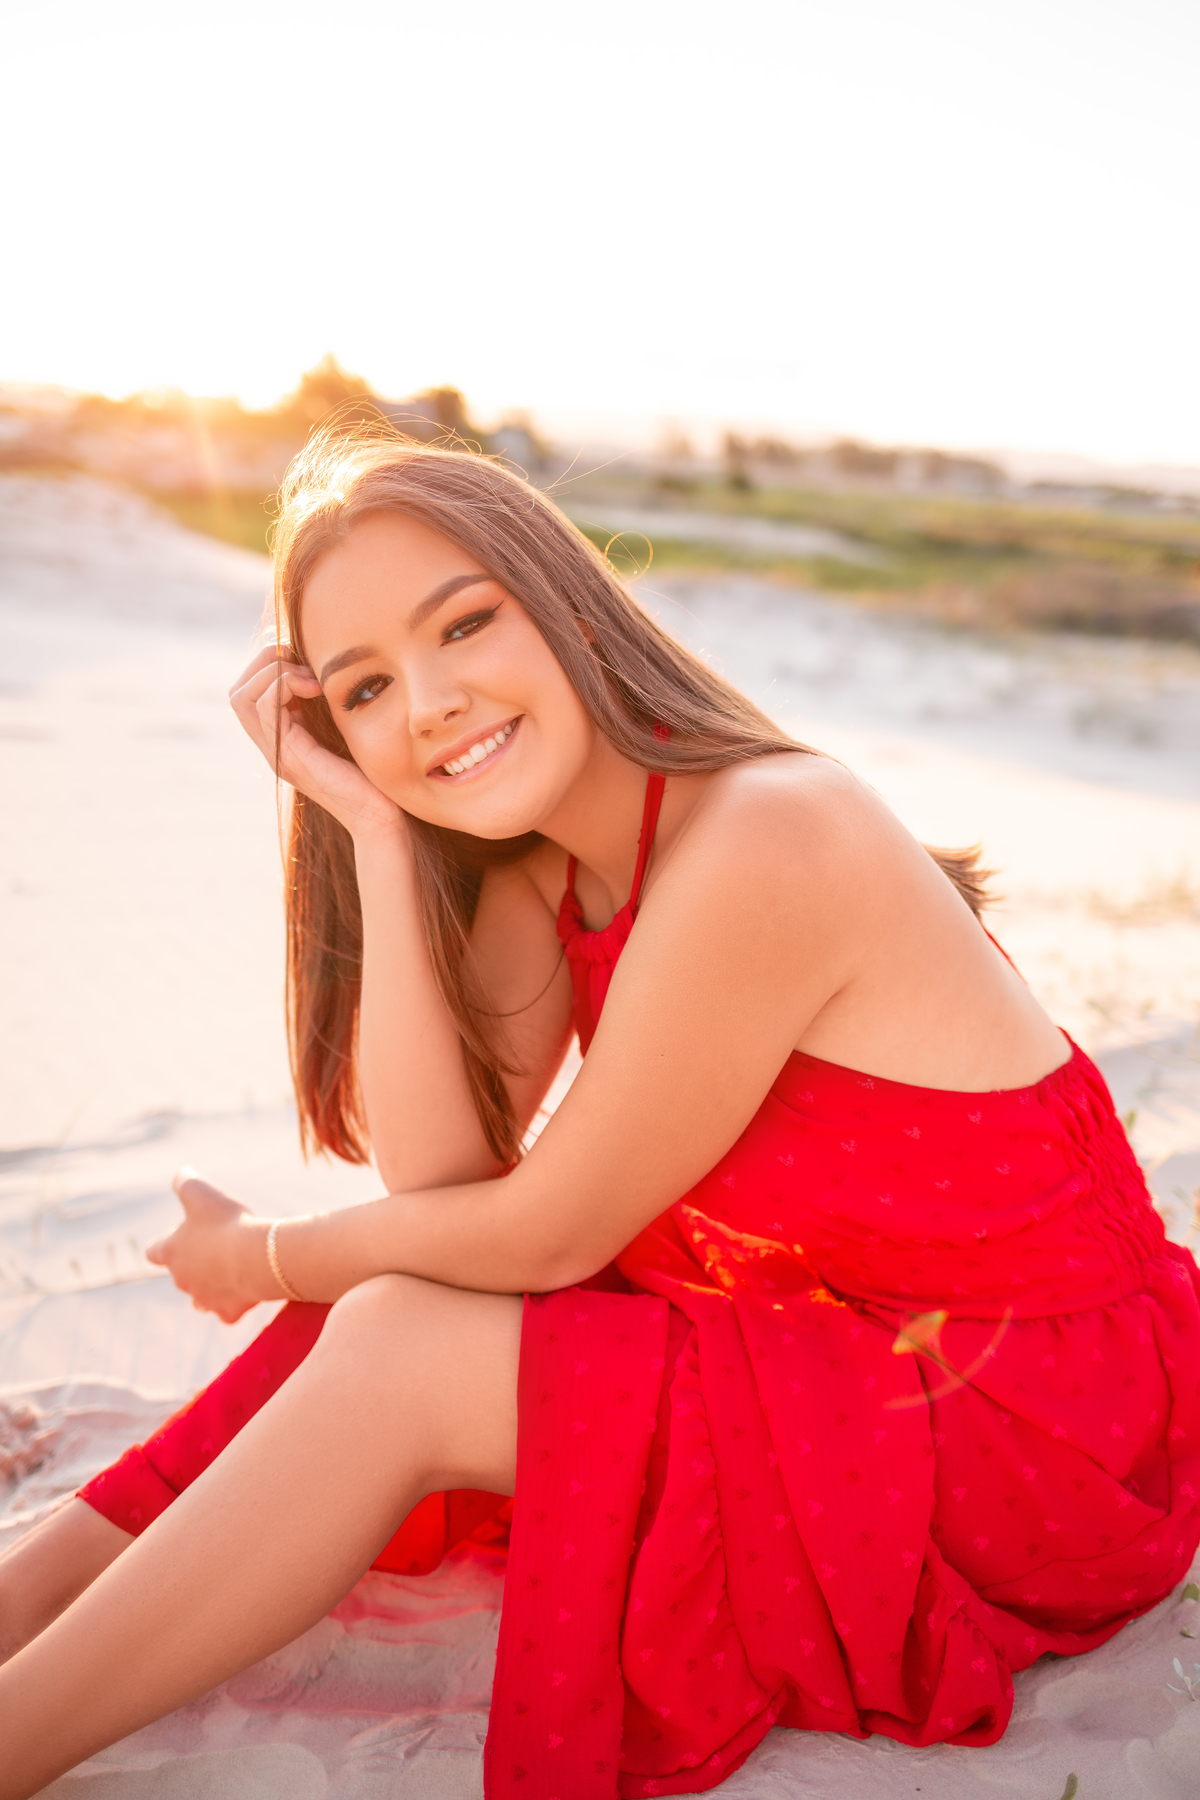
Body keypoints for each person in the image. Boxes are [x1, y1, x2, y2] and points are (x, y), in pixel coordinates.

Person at [1, 431, 1197, 1800]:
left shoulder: (768, 832)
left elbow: (540, 1238)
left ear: (567, 603)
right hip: (842, 1353)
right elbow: (444, 1185)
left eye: (465, 626)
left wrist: (267, 1253)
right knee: (383, 1296)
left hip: (1033, 1428)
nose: (434, 704)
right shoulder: (546, 874)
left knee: (393, 1331)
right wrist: (375, 836)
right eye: (368, 689)